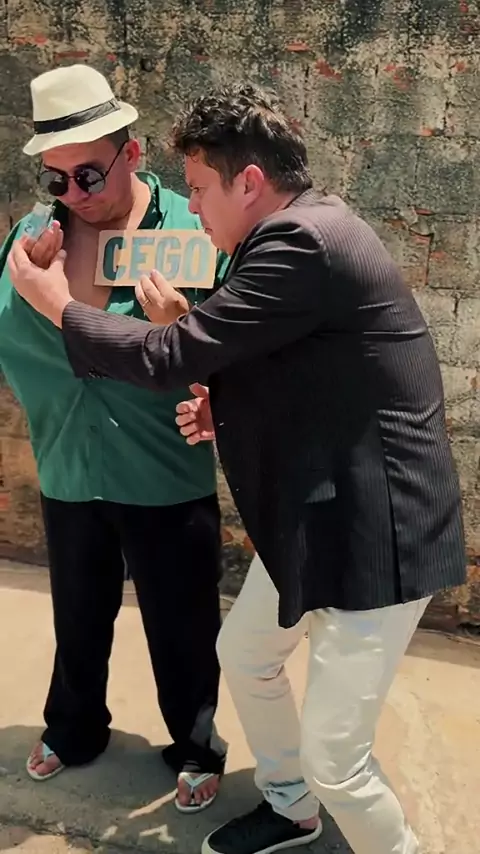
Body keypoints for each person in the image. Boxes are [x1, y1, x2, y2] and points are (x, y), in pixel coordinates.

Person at [8, 83, 467, 854]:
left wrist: (57, 303)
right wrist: (222, 401)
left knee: (339, 760)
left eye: (198, 188)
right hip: (315, 511)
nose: (190, 206)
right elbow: (289, 362)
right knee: (247, 655)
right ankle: (290, 806)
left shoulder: (301, 242)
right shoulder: (287, 236)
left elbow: (169, 356)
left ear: (248, 182)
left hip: (375, 530)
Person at [0, 64, 229, 812]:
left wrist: (188, 345)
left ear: (132, 153)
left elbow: (245, 344)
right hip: (71, 463)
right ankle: (73, 727)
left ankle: (195, 743)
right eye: (56, 179)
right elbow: (14, 341)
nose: (74, 193)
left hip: (163, 468)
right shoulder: (31, 241)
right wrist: (33, 296)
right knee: (77, 614)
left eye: (90, 173)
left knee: (182, 621)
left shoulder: (194, 231)